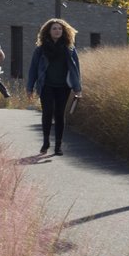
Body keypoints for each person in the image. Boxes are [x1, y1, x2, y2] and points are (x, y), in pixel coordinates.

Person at [26, 17, 83, 156]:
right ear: (48, 31)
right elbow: (33, 68)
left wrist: (77, 87)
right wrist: (29, 87)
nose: (57, 31)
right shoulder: (41, 49)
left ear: (63, 31)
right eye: (54, 28)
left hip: (64, 86)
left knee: (59, 114)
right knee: (47, 113)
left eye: (59, 28)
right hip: (46, 85)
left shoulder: (69, 49)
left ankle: (58, 146)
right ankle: (46, 142)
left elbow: (76, 69)